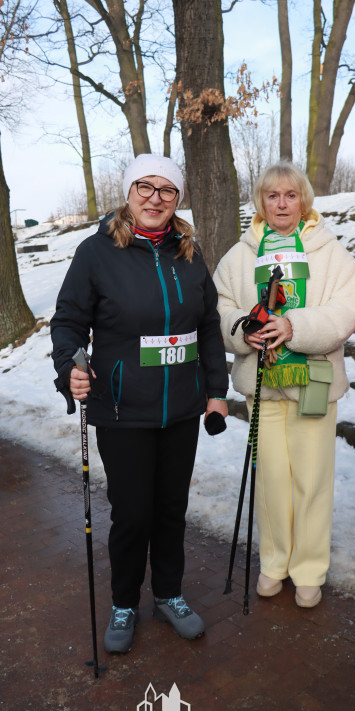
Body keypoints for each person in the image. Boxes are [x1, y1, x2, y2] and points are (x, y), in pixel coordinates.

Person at [51, 154, 229, 653]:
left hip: (181, 409)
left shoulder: (189, 254)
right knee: (133, 513)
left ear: (178, 198)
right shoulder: (96, 252)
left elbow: (209, 326)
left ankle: (169, 594)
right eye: (145, 188)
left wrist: (216, 391)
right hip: (123, 407)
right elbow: (67, 323)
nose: (155, 198)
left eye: (166, 190)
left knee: (172, 510)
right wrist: (70, 368)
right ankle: (125, 602)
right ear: (129, 194)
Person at [213, 161, 355, 608]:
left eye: (291, 195)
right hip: (262, 384)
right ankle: (274, 562)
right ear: (261, 202)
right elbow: (219, 307)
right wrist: (244, 330)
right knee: (272, 479)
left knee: (312, 479)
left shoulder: (328, 250)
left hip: (312, 380)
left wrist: (294, 326)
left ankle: (309, 569)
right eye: (273, 196)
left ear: (304, 200)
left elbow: (348, 306)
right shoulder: (240, 253)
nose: (282, 203)